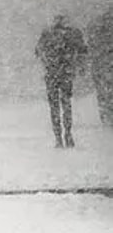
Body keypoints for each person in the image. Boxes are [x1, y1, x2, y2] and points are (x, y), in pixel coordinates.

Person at [35, 14, 87, 148]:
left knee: (54, 106)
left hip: (52, 74)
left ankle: (58, 137)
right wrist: (79, 66)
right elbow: (82, 50)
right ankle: (68, 134)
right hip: (66, 74)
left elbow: (38, 51)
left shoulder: (47, 33)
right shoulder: (72, 33)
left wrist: (47, 61)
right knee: (66, 104)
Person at [86, 6, 113, 127]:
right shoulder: (98, 28)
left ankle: (106, 114)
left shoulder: (96, 27)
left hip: (101, 65)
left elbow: (91, 45)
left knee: (103, 91)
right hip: (104, 63)